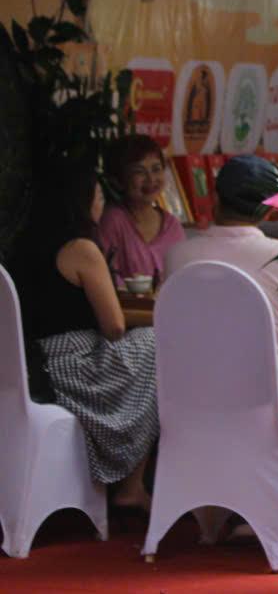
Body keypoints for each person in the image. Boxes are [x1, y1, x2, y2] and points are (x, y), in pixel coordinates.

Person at [13, 163, 159, 512]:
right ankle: (132, 484)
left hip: (31, 365)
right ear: (80, 202)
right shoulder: (82, 249)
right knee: (157, 344)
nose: (101, 204)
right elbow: (114, 326)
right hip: (74, 367)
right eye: (97, 196)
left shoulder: (21, 246)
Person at [165, 155, 278, 413]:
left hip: (192, 403)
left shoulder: (177, 256)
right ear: (269, 209)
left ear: (214, 197)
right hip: (273, 406)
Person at [98, 134, 186, 288]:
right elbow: (104, 279)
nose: (151, 179)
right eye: (139, 172)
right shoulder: (112, 220)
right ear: (118, 180)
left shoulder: (173, 225)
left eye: (156, 169)